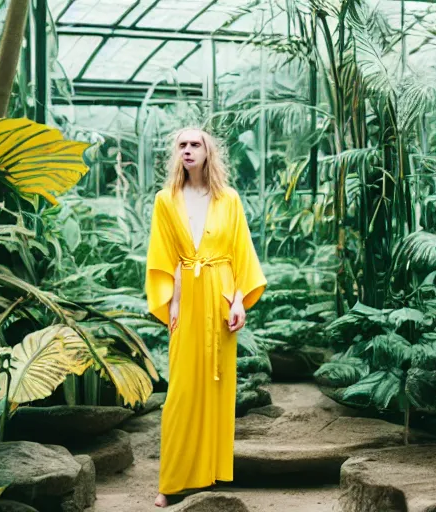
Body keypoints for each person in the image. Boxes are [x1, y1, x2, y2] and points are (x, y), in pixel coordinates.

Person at [145, 128, 267, 506]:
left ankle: (208, 475)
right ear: (175, 154)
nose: (187, 150)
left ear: (208, 152)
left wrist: (238, 302)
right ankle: (171, 482)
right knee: (181, 391)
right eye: (181, 145)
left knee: (216, 388)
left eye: (195, 144)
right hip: (188, 298)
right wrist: (174, 304)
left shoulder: (228, 199)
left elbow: (240, 253)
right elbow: (164, 256)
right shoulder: (166, 200)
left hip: (220, 295)